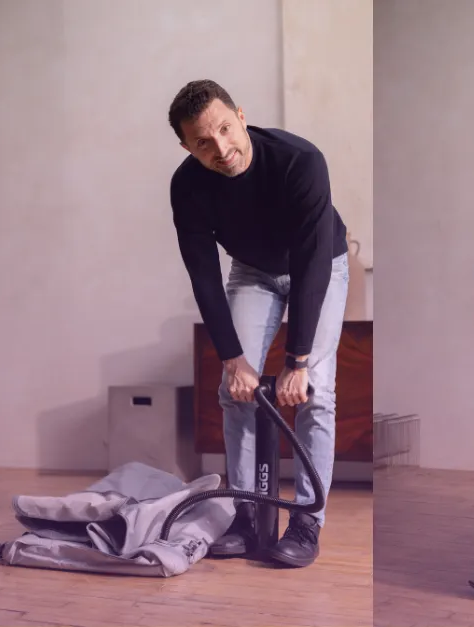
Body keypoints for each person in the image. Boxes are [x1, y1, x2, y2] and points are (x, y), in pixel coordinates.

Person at [168, 79, 349, 566]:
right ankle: (246, 515)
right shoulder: (186, 185)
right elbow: (203, 274)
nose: (221, 148)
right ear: (186, 146)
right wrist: (233, 359)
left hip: (320, 265)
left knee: (318, 392)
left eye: (225, 129)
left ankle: (308, 523)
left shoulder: (300, 160)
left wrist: (298, 360)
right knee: (235, 391)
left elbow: (313, 262)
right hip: (252, 272)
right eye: (203, 142)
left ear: (241, 116)